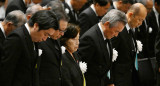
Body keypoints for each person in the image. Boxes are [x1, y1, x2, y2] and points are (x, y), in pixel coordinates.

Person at [0, 10, 59, 86]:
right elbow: (6, 72)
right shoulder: (16, 38)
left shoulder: (34, 38)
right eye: (45, 34)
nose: (45, 39)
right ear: (36, 26)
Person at [78, 9, 127, 86]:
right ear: (107, 24)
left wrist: (110, 82)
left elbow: (106, 64)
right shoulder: (89, 38)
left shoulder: (106, 34)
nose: (116, 35)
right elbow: (81, 68)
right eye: (116, 31)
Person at [111, 3, 147, 86]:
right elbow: (110, 56)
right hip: (118, 79)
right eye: (140, 19)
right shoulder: (118, 29)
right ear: (131, 15)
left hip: (129, 76)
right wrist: (110, 81)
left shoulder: (131, 28)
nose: (141, 23)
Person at [38, 10, 69, 86]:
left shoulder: (56, 39)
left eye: (64, 30)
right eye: (61, 30)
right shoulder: (41, 40)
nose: (62, 34)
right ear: (53, 26)